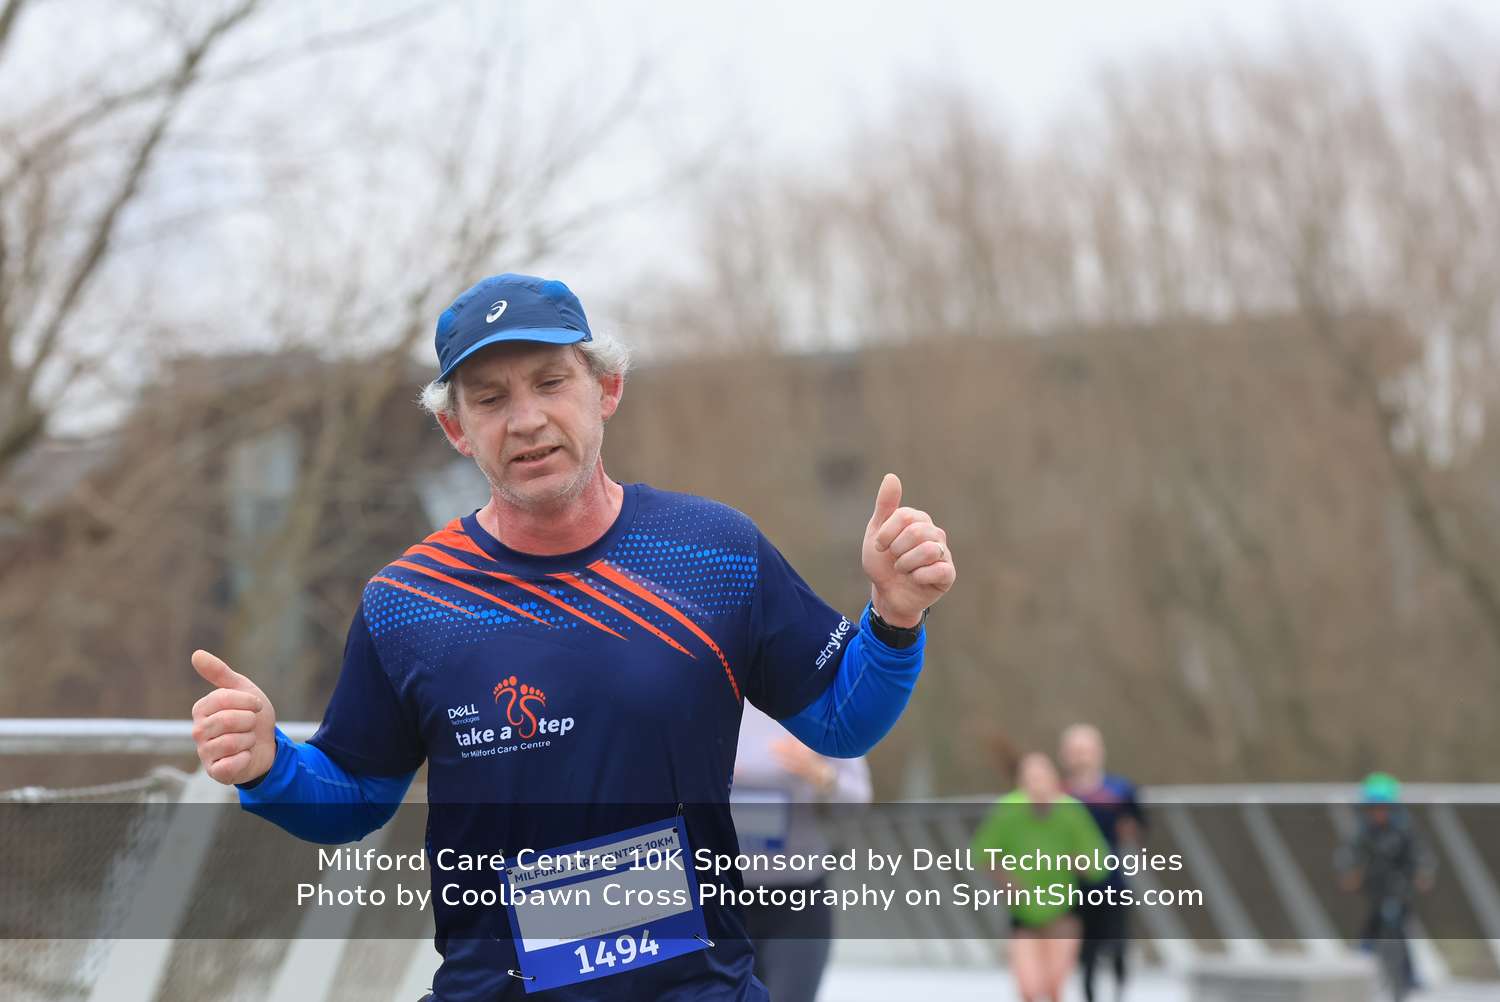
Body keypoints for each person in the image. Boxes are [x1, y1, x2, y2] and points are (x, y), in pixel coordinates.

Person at [186, 273, 956, 1001]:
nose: (525, 420)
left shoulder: (713, 552)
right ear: (456, 428)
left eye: (550, 383)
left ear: (606, 388)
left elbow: (841, 721)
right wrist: (270, 765)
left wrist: (894, 617)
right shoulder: (408, 603)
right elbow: (354, 796)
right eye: (490, 399)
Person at [731, 702, 871, 1002]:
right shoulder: (703, 698)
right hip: (721, 902)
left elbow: (857, 800)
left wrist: (820, 775)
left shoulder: (823, 704)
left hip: (798, 902)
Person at [972, 752, 1111, 1002]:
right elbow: (981, 853)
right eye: (1030, 780)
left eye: (1042, 779)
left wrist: (1076, 862)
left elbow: (1099, 863)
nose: (1037, 787)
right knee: (1028, 988)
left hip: (1063, 911)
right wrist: (1004, 878)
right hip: (1024, 912)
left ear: (1055, 781)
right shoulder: (1008, 811)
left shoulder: (1071, 812)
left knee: (1054, 985)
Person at [1060, 723, 1144, 1002]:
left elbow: (1137, 825)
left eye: (1085, 750)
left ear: (1099, 752)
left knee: (1118, 943)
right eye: (1075, 751)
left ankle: (1119, 992)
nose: (1081, 757)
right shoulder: (1061, 794)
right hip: (1074, 884)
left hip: (1112, 878)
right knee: (1087, 951)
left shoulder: (1120, 789)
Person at [1335, 772, 1436, 994]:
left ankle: (1406, 977)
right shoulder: (1363, 831)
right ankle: (1360, 973)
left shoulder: (1405, 829)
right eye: (1373, 808)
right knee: (1370, 931)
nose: (1378, 813)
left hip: (1400, 890)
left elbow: (1420, 853)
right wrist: (1349, 872)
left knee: (1397, 927)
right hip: (1374, 891)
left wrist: (1423, 872)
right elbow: (1348, 855)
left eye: (1383, 808)